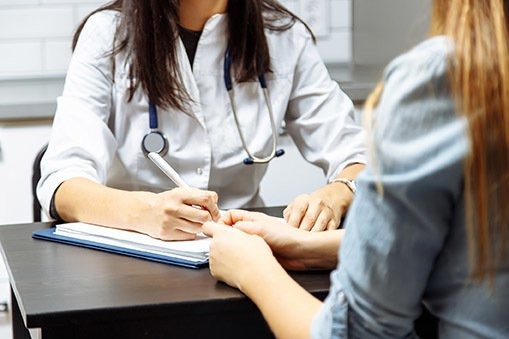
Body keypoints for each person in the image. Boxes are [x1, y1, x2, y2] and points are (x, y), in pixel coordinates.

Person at [203, 0, 509, 337]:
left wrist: (252, 268)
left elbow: (357, 334)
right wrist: (309, 249)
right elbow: (469, 245)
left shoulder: (448, 77)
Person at [37, 0, 366, 240]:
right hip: (131, 251)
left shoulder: (284, 37)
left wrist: (338, 192)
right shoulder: (107, 35)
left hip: (246, 250)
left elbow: (357, 155)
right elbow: (63, 183)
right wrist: (144, 213)